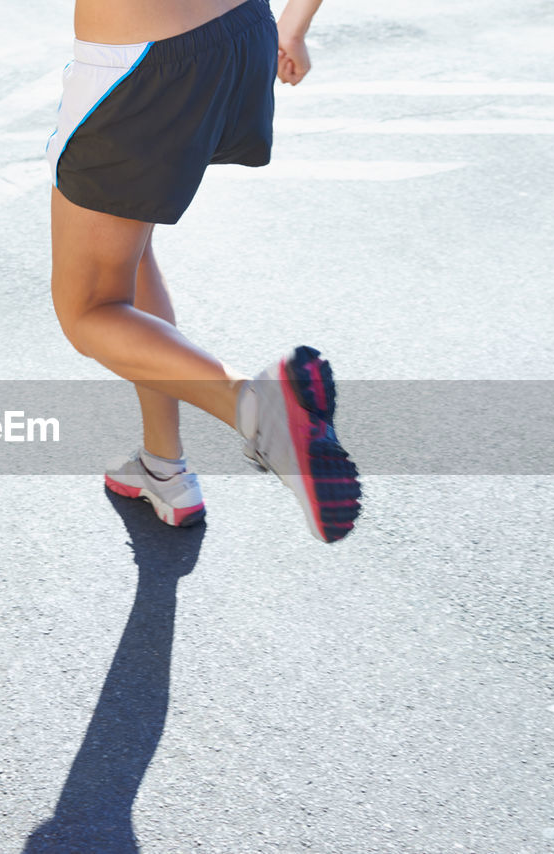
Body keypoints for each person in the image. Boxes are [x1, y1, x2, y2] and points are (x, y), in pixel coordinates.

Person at [45, 0, 360, 543]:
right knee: (128, 248)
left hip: (140, 55)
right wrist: (296, 24)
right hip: (239, 33)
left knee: (88, 309)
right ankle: (164, 467)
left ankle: (259, 409)